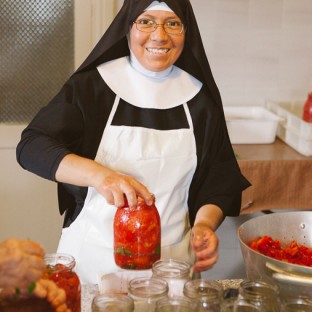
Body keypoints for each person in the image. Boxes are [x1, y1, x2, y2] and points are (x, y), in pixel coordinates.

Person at [16, 0, 250, 284]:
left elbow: (219, 180)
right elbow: (32, 146)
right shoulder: (93, 86)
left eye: (173, 23)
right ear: (127, 27)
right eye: (146, 21)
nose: (159, 35)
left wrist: (204, 225)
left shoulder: (200, 100)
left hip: (172, 268)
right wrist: (102, 176)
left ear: (187, 31)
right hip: (93, 264)